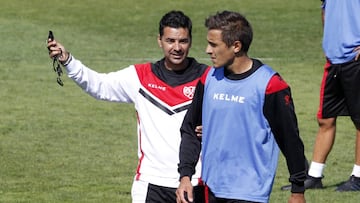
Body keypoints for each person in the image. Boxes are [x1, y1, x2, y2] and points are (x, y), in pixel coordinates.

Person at [47, 10, 210, 203]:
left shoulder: (208, 78)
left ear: (190, 41)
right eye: (170, 41)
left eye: (183, 41)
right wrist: (68, 61)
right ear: (159, 40)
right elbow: (99, 86)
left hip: (193, 182)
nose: (177, 47)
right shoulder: (140, 77)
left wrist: (213, 129)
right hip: (150, 183)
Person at [176, 10, 307, 203]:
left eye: (214, 44)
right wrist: (185, 176)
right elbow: (189, 129)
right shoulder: (208, 79)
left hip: (250, 193)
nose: (207, 50)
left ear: (236, 46)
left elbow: (290, 139)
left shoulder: (270, 85)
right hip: (209, 190)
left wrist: (297, 190)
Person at [286, 0, 360, 192]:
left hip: (356, 59)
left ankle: (358, 177)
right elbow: (325, 10)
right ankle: (314, 176)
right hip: (334, 59)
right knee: (325, 119)